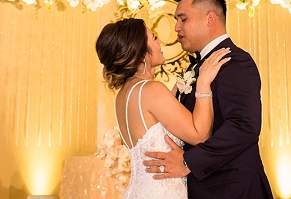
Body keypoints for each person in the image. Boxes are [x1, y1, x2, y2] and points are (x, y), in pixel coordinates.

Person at [143, 0, 274, 199]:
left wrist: (188, 162)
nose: (176, 27)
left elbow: (244, 126)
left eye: (183, 19)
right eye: (176, 20)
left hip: (232, 191)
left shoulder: (234, 61)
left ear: (210, 18)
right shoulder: (196, 67)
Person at [96, 18, 230, 199]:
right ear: (142, 54)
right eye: (154, 38)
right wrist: (203, 83)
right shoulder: (151, 90)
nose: (159, 42)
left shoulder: (124, 95)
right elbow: (200, 135)